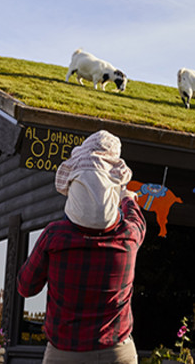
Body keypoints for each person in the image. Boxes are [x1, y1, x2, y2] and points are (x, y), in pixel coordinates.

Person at [18, 130, 146, 364]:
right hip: (117, 353)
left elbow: (25, 287)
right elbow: (136, 218)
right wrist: (127, 198)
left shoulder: (54, 236)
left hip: (64, 354)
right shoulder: (129, 236)